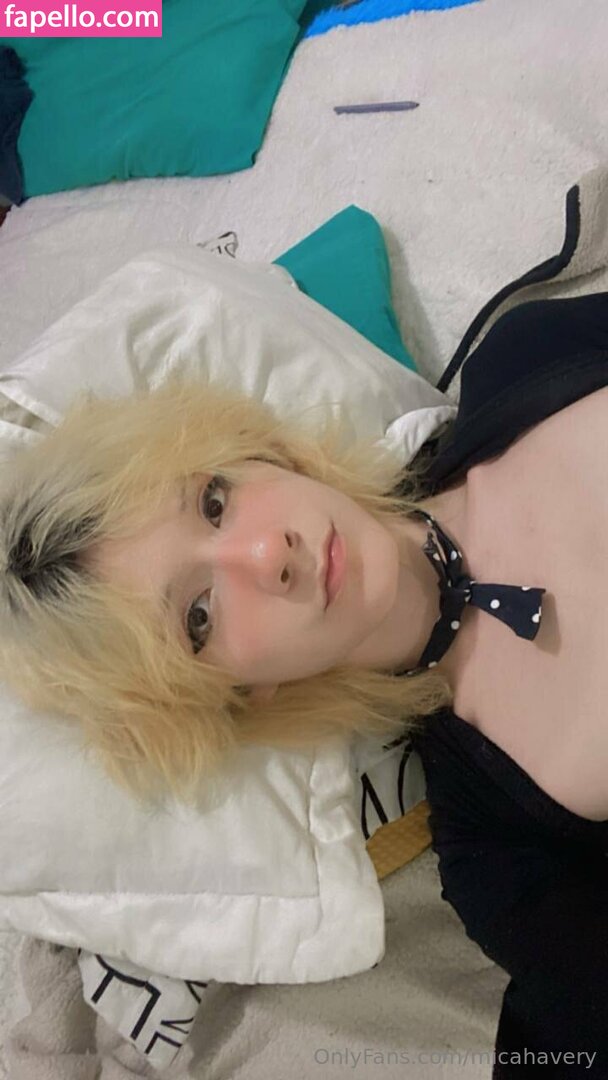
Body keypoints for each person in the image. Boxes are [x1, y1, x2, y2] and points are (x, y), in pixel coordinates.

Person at [1, 291, 607, 1076]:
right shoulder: (498, 856)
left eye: (214, 501)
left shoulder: (526, 356)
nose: (267, 556)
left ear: (261, 454)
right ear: (239, 694)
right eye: (198, 617)